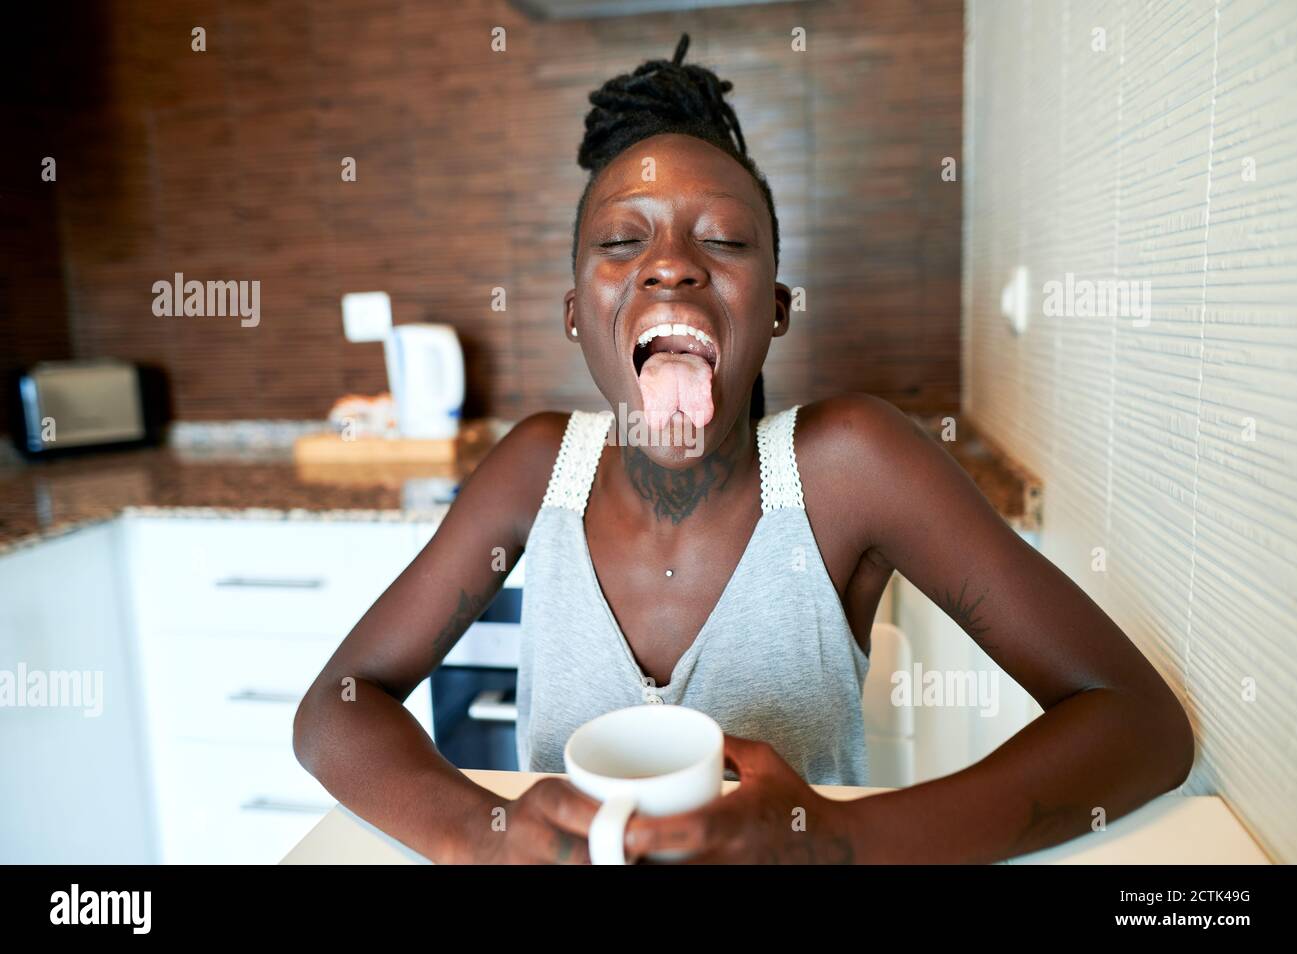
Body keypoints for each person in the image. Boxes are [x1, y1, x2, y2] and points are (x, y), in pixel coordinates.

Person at [294, 34, 1194, 864]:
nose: (672, 263)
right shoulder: (537, 471)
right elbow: (335, 711)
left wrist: (837, 840)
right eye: (620, 241)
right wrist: (478, 833)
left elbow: (1138, 724)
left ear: (774, 308)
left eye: (722, 240)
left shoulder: (850, 465)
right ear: (575, 316)